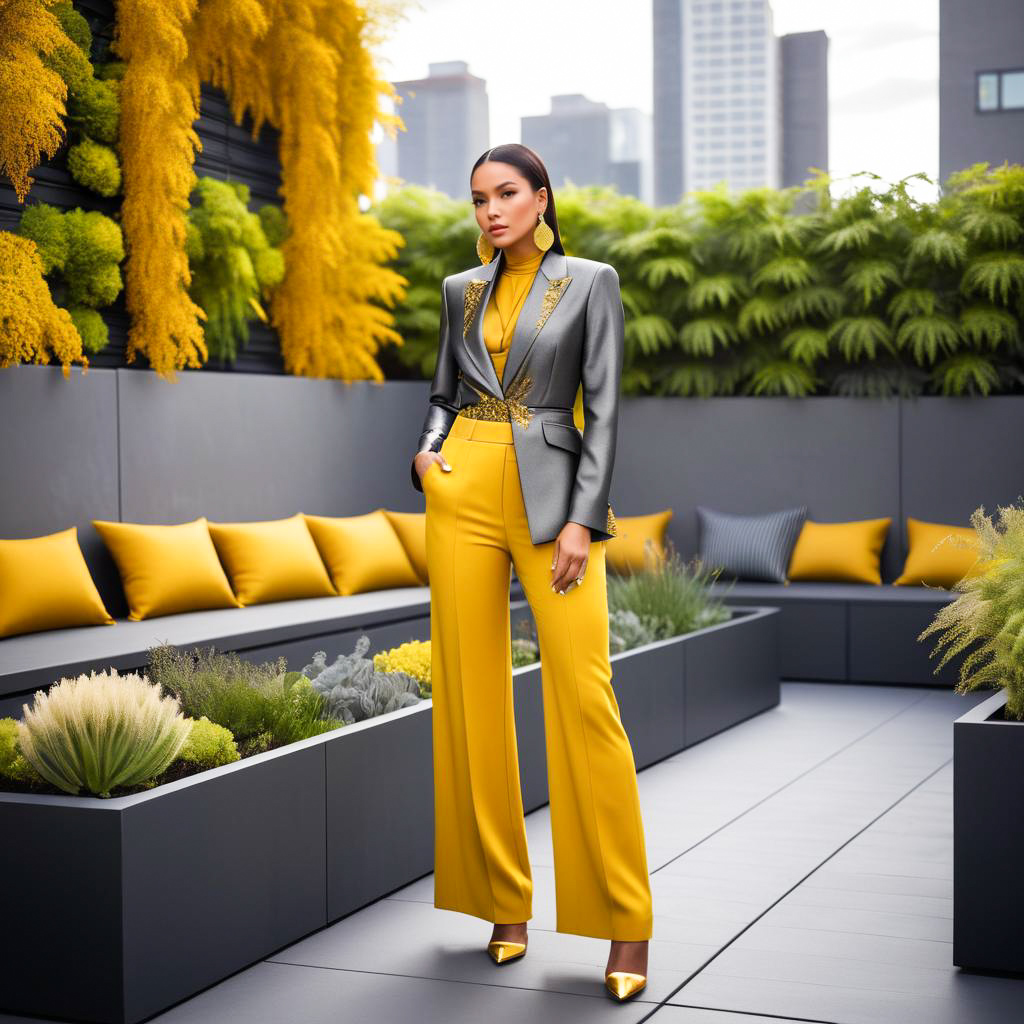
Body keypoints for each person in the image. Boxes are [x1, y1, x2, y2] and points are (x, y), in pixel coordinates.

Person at [410, 143, 653, 1002]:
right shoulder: (460, 292)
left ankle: (626, 923)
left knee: (585, 697)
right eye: (479, 198)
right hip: (461, 488)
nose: (490, 211)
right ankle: (500, 904)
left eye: (506, 193)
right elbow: (443, 393)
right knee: (472, 697)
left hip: (553, 495)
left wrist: (586, 517)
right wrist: (427, 456)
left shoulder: (591, 281)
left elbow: (607, 406)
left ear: (541, 197)